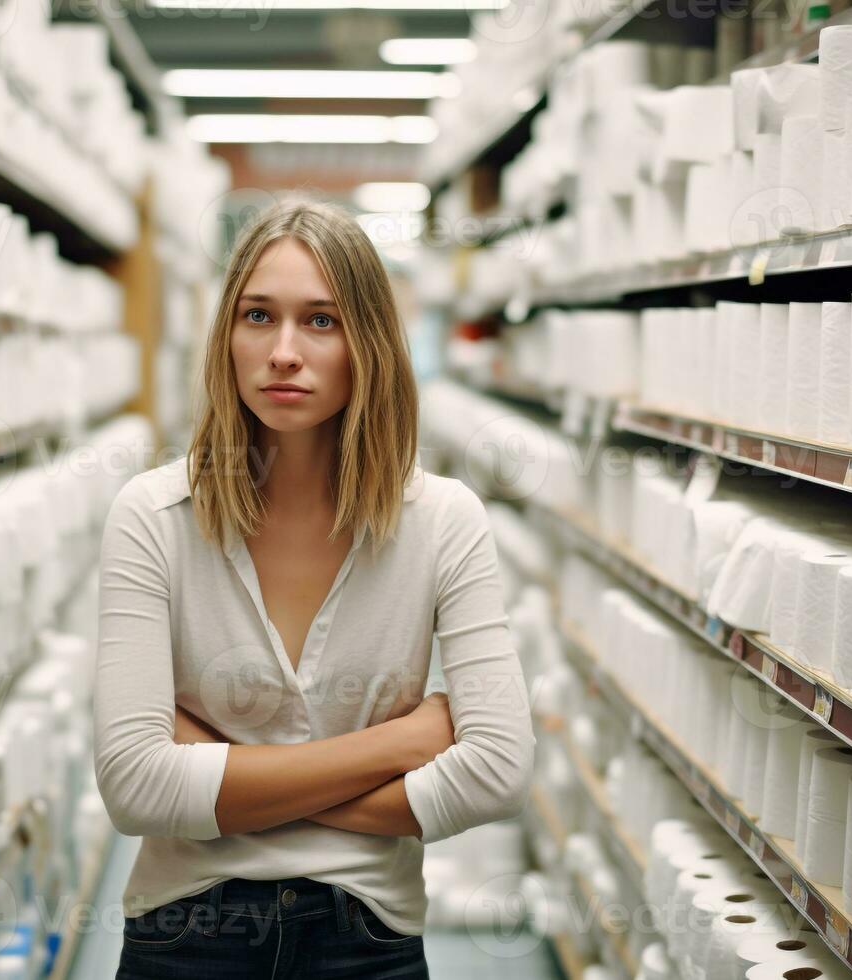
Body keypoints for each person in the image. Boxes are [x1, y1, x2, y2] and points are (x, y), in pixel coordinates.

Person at [93, 199, 535, 979]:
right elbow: (133, 786)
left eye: (321, 321)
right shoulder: (152, 517)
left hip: (367, 938)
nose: (284, 351)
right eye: (258, 316)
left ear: (369, 343)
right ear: (226, 335)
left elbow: (497, 769)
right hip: (184, 932)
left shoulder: (443, 521)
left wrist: (223, 770)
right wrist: (396, 747)